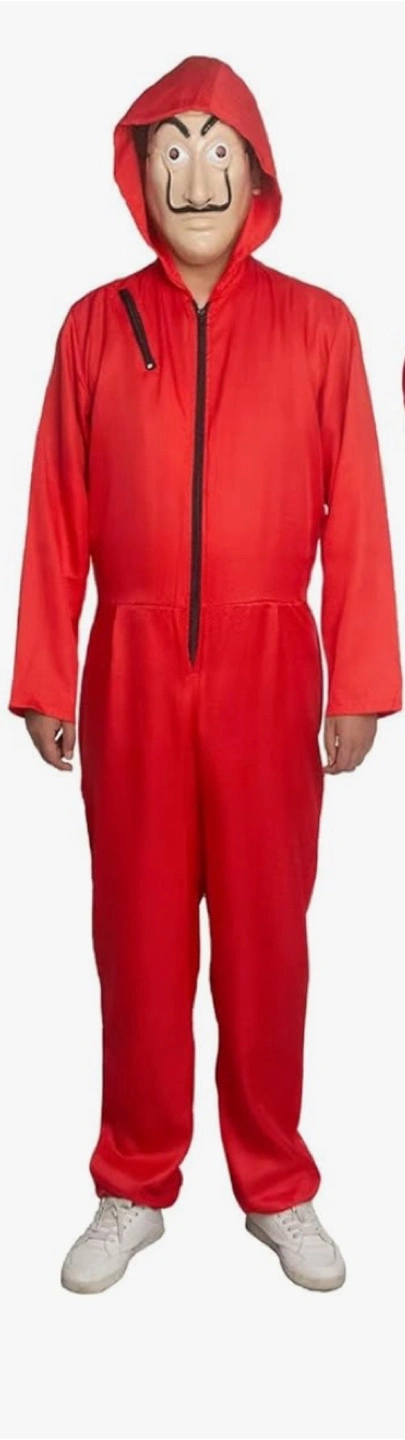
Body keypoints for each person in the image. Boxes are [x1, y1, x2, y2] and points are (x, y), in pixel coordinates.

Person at [8, 54, 402, 1296]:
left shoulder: (321, 326)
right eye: (168, 147)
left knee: (267, 942)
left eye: (216, 147)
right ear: (138, 171)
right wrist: (45, 678)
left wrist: (360, 680)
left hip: (271, 664)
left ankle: (276, 1183)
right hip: (127, 664)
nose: (193, 173)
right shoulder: (91, 324)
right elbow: (55, 512)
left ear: (257, 173)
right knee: (134, 937)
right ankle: (133, 1182)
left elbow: (359, 511)